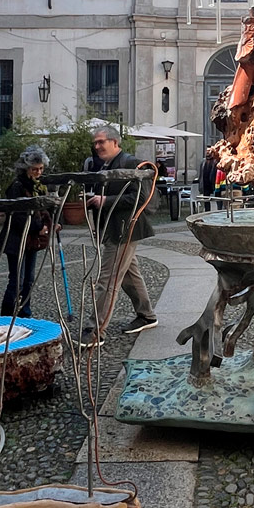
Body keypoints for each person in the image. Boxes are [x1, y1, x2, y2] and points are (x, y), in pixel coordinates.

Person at [80, 125, 158, 346]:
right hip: (114, 228)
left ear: (115, 142)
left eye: (101, 142)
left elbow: (141, 197)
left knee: (109, 279)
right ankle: (146, 315)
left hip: (125, 229)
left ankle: (95, 330)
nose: (97, 146)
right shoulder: (107, 164)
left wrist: (106, 201)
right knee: (128, 275)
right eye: (95, 143)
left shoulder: (131, 163)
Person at [0, 145, 52, 318]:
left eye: (41, 169)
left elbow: (44, 208)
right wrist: (39, 227)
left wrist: (50, 223)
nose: (38, 172)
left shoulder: (39, 187)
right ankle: (6, 316)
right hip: (16, 240)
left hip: (31, 240)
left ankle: (24, 314)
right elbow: (18, 216)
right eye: (35, 169)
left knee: (28, 280)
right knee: (17, 281)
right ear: (26, 169)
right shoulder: (17, 186)